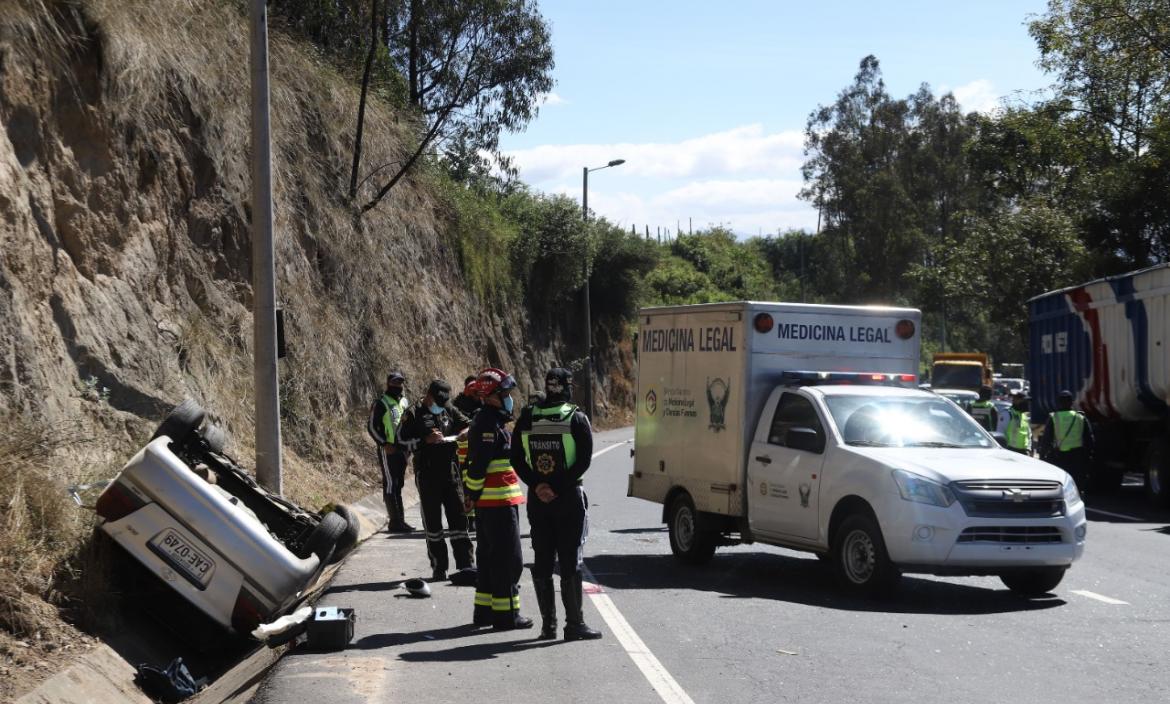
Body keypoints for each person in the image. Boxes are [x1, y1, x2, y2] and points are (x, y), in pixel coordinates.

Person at [511, 368, 602, 641]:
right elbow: (584, 460)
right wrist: (558, 487)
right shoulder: (576, 417)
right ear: (567, 387)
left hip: (538, 501)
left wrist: (537, 485)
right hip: (568, 499)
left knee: (542, 561)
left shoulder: (527, 416)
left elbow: (516, 457)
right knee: (570, 560)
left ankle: (547, 627)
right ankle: (574, 625)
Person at [463, 368, 531, 630]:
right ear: (490, 396)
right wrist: (472, 494)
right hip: (497, 503)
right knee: (509, 560)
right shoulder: (488, 425)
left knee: (490, 558)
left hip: (493, 503)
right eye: (504, 394)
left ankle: (485, 612)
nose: (509, 398)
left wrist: (473, 496)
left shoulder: (490, 421)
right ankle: (507, 615)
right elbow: (478, 466)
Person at [399, 380, 474, 581]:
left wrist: (466, 432)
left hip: (451, 472)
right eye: (437, 400)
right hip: (428, 474)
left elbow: (469, 424)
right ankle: (439, 566)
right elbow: (400, 440)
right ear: (428, 395)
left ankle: (466, 564)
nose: (441, 404)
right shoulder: (413, 413)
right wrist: (425, 441)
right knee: (433, 524)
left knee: (459, 519)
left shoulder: (447, 409)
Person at [367, 371, 415, 532]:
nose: (398, 386)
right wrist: (383, 444)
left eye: (400, 382)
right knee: (390, 484)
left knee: (399, 484)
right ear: (388, 384)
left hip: (402, 450)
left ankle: (400, 520)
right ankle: (394, 522)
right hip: (388, 449)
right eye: (395, 383)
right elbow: (372, 427)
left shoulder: (404, 402)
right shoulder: (381, 403)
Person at [1040, 390, 1094, 491]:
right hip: (1077, 456)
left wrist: (1043, 456)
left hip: (1060, 457)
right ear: (1071, 402)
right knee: (1077, 482)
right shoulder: (1080, 417)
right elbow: (1089, 439)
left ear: (1059, 403)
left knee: (1063, 482)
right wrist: (1088, 457)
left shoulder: (1054, 417)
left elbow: (1046, 440)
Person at [452, 375, 482, 534]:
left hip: (478, 450)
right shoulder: (456, 406)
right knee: (465, 485)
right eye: (475, 392)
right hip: (462, 452)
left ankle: (477, 517)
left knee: (477, 483)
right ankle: (470, 518)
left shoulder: (482, 403)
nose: (478, 395)